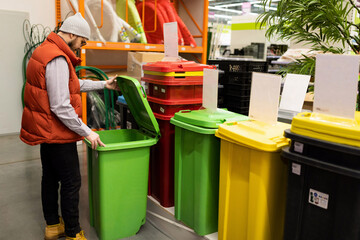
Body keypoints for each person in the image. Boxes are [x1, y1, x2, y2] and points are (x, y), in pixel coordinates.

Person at [20, 13, 119, 240]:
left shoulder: (47, 50)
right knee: (71, 183)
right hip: (58, 133)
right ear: (72, 33)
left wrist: (104, 84)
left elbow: (72, 83)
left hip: (47, 130)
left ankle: (53, 226)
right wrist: (88, 132)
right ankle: (74, 233)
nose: (81, 47)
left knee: (50, 178)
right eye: (82, 41)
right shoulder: (56, 58)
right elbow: (61, 105)